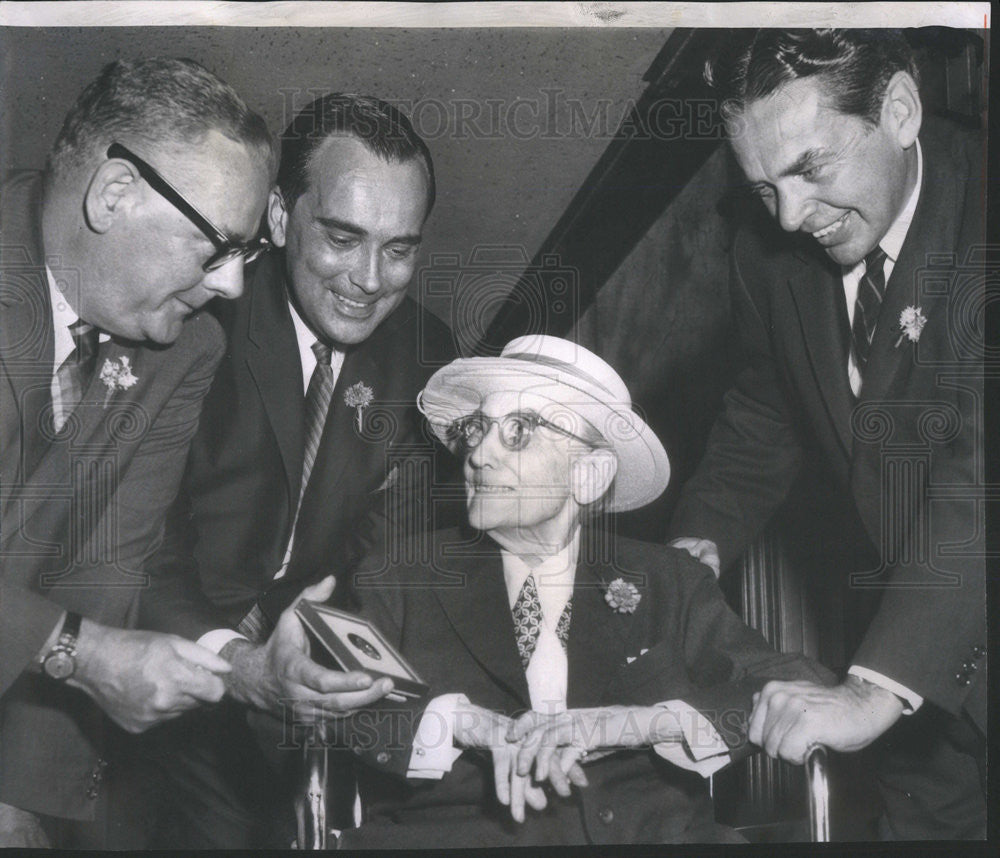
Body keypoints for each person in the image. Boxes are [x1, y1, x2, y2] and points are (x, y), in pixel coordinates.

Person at [666, 29, 985, 839]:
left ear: (901, 110)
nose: (791, 216)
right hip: (928, 690)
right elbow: (765, 415)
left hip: (910, 659)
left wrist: (875, 687)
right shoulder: (768, 256)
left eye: (809, 169)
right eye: (764, 187)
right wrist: (697, 544)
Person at [331, 335, 833, 848]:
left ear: (589, 475)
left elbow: (798, 683)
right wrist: (462, 722)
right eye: (477, 429)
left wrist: (635, 725)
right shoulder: (397, 576)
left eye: (519, 431)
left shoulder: (666, 580)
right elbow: (335, 703)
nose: (478, 455)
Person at [137, 93, 459, 848]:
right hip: (144, 659)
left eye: (401, 248)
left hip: (279, 712)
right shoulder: (193, 315)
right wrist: (237, 663)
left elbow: (387, 557)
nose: (371, 279)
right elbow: (137, 540)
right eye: (343, 238)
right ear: (281, 220)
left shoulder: (426, 357)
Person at [0, 57, 276, 847]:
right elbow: (83, 643)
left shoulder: (185, 352)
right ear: (115, 193)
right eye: (217, 246)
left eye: (245, 254)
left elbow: (103, 570)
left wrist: (17, 802)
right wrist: (74, 655)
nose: (229, 288)